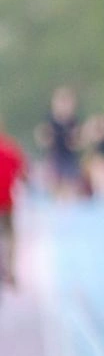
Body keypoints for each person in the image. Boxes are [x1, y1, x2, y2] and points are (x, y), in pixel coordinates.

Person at [0, 123, 28, 289]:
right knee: (10, 236)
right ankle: (10, 271)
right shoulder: (10, 148)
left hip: (6, 201)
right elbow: (23, 174)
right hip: (6, 200)